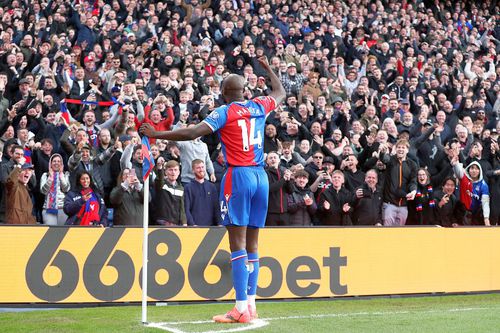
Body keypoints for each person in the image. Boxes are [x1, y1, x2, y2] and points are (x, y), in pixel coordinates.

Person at [140, 56, 285, 323]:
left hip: (238, 175)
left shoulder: (223, 112)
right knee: (254, 243)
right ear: (244, 91)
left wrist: (156, 135)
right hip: (260, 176)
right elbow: (280, 91)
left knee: (237, 242)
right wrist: (268, 69)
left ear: (224, 93)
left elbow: (193, 132)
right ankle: (251, 305)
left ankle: (240, 307)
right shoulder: (259, 106)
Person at [183, 159, 220, 226]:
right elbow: (186, 209)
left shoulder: (212, 187)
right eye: (198, 168)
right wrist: (192, 224)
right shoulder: (188, 188)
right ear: (193, 170)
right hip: (195, 228)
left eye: (202, 167)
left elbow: (216, 208)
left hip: (211, 228)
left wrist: (219, 223)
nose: (201, 169)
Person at [151, 159, 186, 226]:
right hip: (162, 223)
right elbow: (159, 181)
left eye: (175, 170)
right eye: (170, 170)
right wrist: (160, 168)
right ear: (166, 172)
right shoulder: (162, 185)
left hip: (176, 224)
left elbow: (182, 208)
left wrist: (184, 222)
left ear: (179, 172)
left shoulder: (181, 188)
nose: (173, 172)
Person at [39, 153, 70, 225]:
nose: (56, 163)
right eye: (54, 161)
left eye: (59, 161)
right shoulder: (45, 175)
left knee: (62, 232)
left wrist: (61, 176)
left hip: (62, 208)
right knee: (50, 232)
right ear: (50, 163)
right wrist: (51, 178)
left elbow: (66, 189)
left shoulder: (65, 174)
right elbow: (43, 191)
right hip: (48, 209)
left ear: (61, 164)